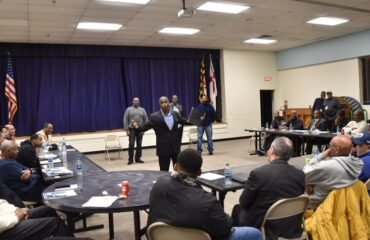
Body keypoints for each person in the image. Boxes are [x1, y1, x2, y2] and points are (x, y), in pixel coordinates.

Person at [148, 148, 263, 240]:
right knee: (254, 233)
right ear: (199, 172)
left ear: (175, 167)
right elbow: (225, 229)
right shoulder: (207, 202)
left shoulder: (160, 183)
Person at [233, 137, 305, 239]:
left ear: (272, 151)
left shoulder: (258, 174)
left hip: (266, 226)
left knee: (237, 209)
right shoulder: (300, 174)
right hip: (292, 225)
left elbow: (244, 202)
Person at [303, 135, 363, 209]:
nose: (328, 148)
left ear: (337, 150)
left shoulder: (327, 166)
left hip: (315, 207)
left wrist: (321, 155)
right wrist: (311, 181)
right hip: (339, 207)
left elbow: (302, 175)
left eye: (330, 146)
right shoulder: (356, 164)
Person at [133, 96, 187, 171]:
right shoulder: (154, 117)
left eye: (166, 102)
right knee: (164, 172)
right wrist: (137, 127)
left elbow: (183, 121)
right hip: (163, 149)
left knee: (179, 170)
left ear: (169, 103)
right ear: (159, 104)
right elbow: (145, 126)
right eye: (162, 103)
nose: (164, 104)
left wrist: (196, 119)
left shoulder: (175, 114)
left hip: (176, 148)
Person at [0, 199, 74, 239]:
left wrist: (16, 209)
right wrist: (17, 218)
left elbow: (1, 203)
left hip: (9, 216)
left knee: (47, 209)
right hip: (4, 229)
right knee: (55, 223)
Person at [123, 97, 148, 165]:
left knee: (139, 144)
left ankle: (138, 158)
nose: (136, 102)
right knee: (131, 144)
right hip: (131, 129)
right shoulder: (128, 109)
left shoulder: (143, 110)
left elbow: (146, 120)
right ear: (132, 102)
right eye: (135, 101)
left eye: (137, 101)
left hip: (140, 129)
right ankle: (130, 159)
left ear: (139, 102)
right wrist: (127, 130)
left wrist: (144, 130)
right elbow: (125, 120)